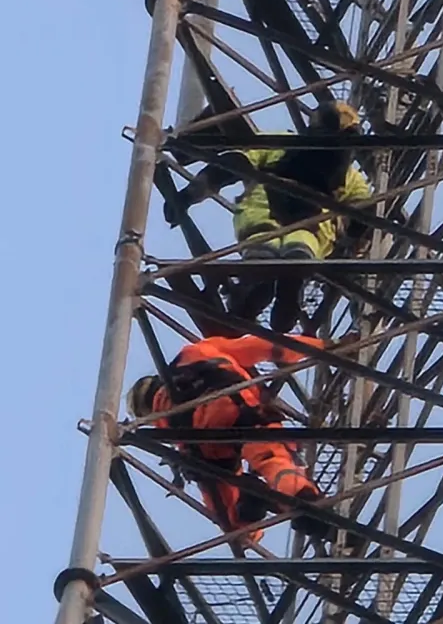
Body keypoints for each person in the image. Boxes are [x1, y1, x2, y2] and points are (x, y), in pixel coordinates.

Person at [165, 101, 373, 332]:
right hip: (312, 223)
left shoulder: (282, 143)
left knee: (262, 252)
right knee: (301, 248)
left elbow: (235, 163)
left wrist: (190, 195)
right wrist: (356, 236)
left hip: (265, 209)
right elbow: (361, 211)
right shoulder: (350, 177)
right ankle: (290, 282)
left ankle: (256, 286)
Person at [126, 332, 346, 546]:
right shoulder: (194, 353)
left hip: (205, 443)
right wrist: (321, 346)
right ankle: (308, 505)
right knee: (274, 462)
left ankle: (249, 507)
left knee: (227, 510)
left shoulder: (166, 423)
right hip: (236, 409)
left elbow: (213, 491)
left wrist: (247, 534)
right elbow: (263, 346)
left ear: (146, 412)